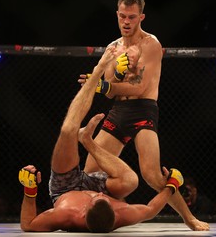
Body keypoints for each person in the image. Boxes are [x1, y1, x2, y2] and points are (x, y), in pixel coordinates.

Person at [79, 0, 209, 231]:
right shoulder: (112, 48)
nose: (126, 21)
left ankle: (189, 218)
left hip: (143, 111)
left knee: (152, 175)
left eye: (131, 17)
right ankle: (97, 216)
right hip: (119, 110)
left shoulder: (151, 44)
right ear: (117, 15)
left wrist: (106, 85)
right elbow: (108, 88)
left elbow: (139, 86)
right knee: (90, 172)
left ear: (141, 17)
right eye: (122, 16)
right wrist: (112, 76)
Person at [19, 47, 184, 233]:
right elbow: (150, 210)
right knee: (131, 181)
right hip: (96, 181)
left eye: (95, 199)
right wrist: (172, 186)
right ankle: (87, 140)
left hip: (65, 188)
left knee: (67, 130)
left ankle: (98, 71)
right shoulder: (121, 214)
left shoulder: (65, 215)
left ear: (83, 212)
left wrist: (30, 191)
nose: (97, 194)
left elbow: (28, 225)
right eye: (103, 198)